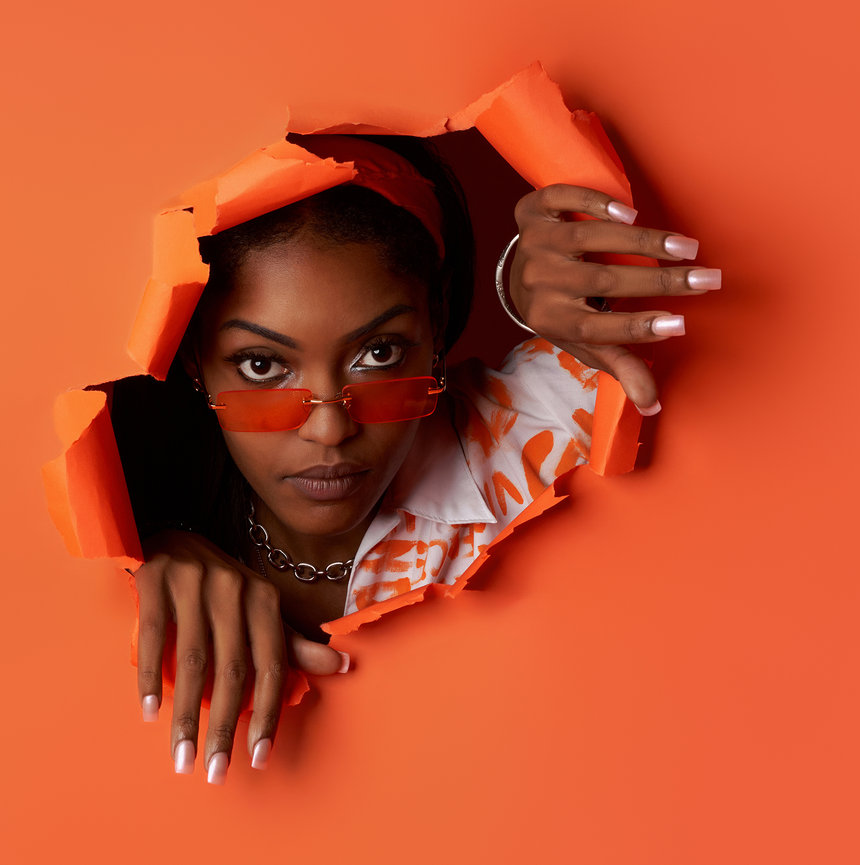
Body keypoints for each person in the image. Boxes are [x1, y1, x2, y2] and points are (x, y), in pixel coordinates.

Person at [113, 132, 721, 784]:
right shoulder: (145, 520)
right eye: (263, 365)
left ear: (434, 330)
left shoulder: (529, 438)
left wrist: (531, 281)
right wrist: (141, 550)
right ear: (195, 364)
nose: (329, 428)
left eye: (379, 354)